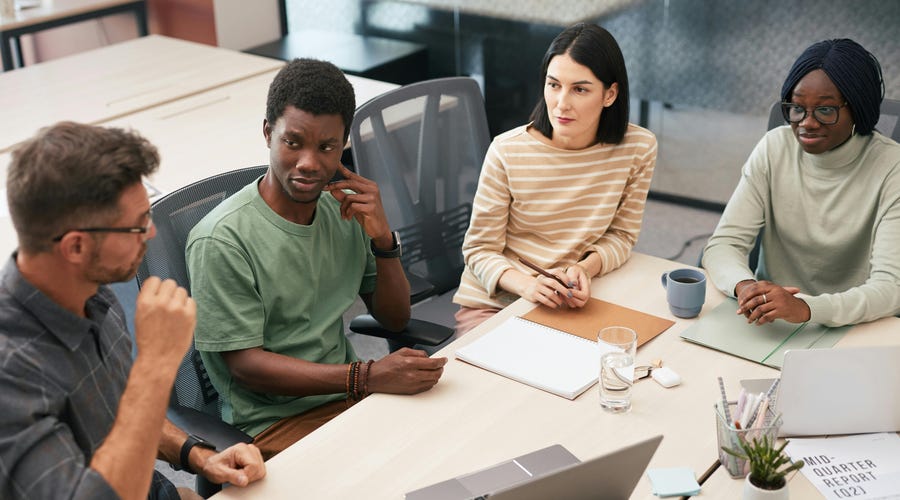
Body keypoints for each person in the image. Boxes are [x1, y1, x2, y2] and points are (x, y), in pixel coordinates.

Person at [185, 58, 447, 460]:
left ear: (342, 144)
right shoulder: (221, 239)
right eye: (293, 143)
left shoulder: (343, 211)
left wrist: (382, 237)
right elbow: (246, 366)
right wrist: (365, 376)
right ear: (269, 133)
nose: (309, 163)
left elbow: (394, 319)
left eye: (326, 147)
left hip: (351, 398)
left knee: (448, 450)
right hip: (273, 426)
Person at [0, 122, 265, 500]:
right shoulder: (11, 375)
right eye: (138, 226)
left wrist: (200, 456)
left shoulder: (93, 294)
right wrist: (156, 364)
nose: (151, 233)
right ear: (75, 247)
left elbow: (125, 416)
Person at [452, 23, 658, 334]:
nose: (561, 103)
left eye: (580, 89)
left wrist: (584, 269)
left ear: (610, 94)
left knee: (625, 363)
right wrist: (528, 286)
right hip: (496, 304)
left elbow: (622, 236)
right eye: (553, 85)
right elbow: (479, 251)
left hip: (573, 299)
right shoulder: (508, 151)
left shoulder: (638, 149)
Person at [702, 38, 900, 327]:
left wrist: (807, 308)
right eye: (797, 108)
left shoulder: (892, 167)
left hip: (858, 325)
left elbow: (891, 287)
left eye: (825, 110)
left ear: (857, 107)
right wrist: (745, 287)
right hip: (771, 320)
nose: (807, 122)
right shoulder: (774, 148)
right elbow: (724, 245)